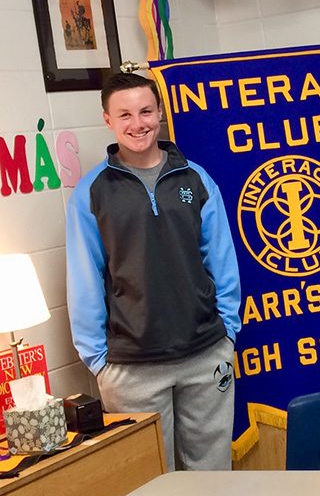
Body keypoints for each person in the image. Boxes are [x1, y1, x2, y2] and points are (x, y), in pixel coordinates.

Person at [66, 73, 241, 471]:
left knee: (213, 476)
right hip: (130, 370)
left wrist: (227, 331)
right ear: (107, 121)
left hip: (205, 354)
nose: (137, 123)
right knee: (148, 483)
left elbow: (221, 260)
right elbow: (84, 281)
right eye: (124, 114)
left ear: (160, 113)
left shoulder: (195, 178)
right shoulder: (91, 193)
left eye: (146, 111)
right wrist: (98, 362)